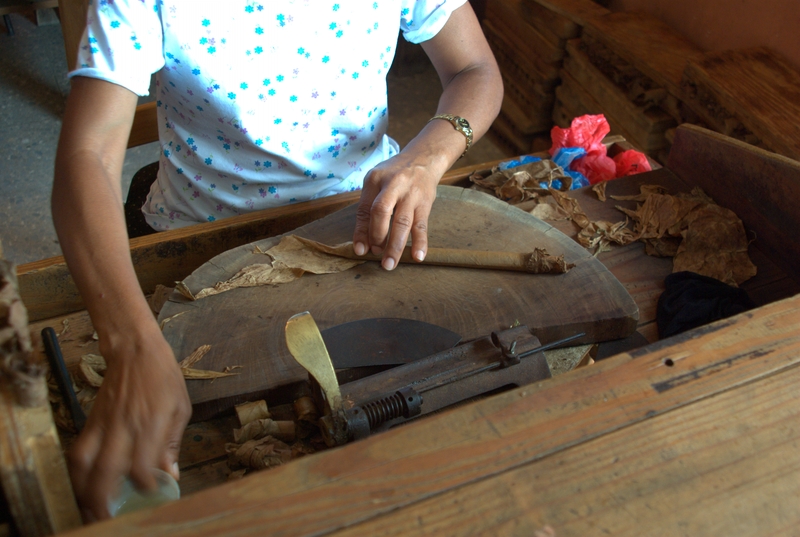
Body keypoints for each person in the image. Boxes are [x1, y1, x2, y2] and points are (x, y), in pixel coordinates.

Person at [52, 0, 502, 520]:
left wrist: (427, 156)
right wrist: (129, 343)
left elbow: (475, 69)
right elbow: (87, 152)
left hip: (359, 222)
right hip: (200, 234)